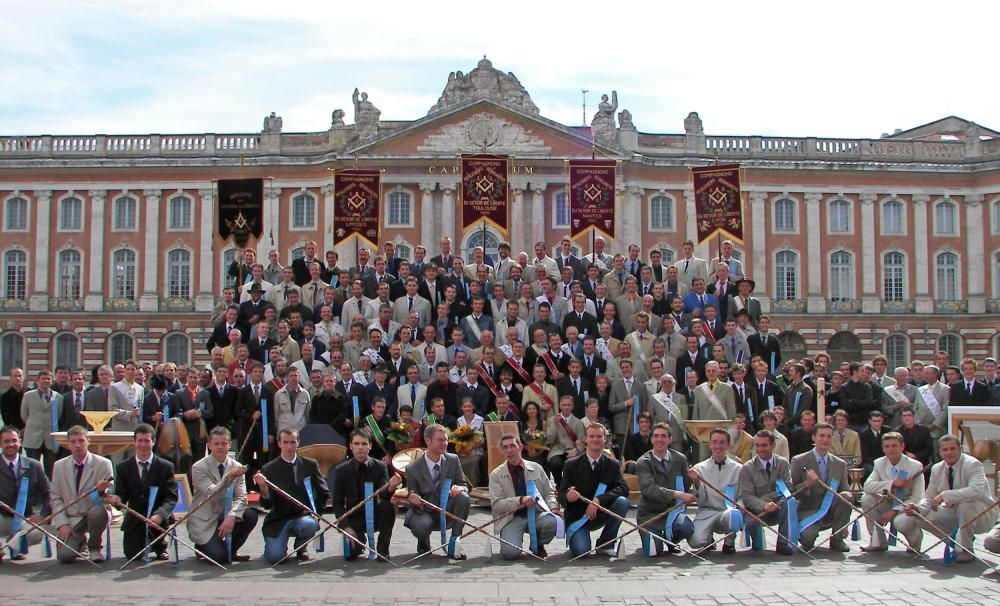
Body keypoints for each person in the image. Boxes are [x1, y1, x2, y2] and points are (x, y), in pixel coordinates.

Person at [905, 434, 999, 563]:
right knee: (921, 517)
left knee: (966, 503)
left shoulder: (973, 464)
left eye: (952, 448)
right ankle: (958, 544)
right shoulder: (937, 468)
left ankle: (965, 550)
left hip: (980, 514)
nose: (949, 452)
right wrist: (918, 508)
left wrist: (944, 495)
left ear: (960, 449)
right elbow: (930, 497)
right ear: (940, 452)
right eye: (945, 449)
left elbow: (976, 491)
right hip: (954, 512)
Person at [253, 428, 330, 564]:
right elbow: (267, 504)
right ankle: (277, 544)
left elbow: (323, 492)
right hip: (278, 519)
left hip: (302, 516)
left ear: (298, 443)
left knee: (310, 525)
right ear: (279, 443)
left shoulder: (310, 464)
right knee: (275, 557)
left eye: (293, 442)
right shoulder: (269, 469)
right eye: (286, 442)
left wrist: (317, 513)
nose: (289, 446)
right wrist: (263, 487)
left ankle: (301, 547)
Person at [107, 424, 178, 560]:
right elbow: (121, 496)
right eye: (140, 441)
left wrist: (160, 515)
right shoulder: (123, 467)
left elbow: (171, 497)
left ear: (154, 441)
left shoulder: (165, 467)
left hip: (157, 518)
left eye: (147, 440)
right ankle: (144, 543)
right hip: (135, 517)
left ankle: (160, 545)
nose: (143, 445)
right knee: (132, 554)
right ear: (134, 443)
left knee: (160, 549)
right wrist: (116, 500)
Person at [187, 427, 257, 564]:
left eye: (224, 443)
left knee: (250, 515)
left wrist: (232, 515)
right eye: (216, 443)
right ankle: (202, 546)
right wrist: (229, 477)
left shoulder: (237, 465)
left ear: (229, 445)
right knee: (220, 558)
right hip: (205, 519)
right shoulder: (198, 467)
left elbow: (241, 497)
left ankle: (231, 549)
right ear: (209, 445)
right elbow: (211, 493)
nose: (220, 447)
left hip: (225, 514)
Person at [559, 423, 630, 557]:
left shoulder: (613, 464)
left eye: (599, 436)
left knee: (622, 502)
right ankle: (578, 539)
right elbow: (561, 495)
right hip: (579, 517)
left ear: (605, 440)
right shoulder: (571, 464)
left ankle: (606, 544)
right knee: (582, 551)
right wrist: (568, 496)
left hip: (601, 512)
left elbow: (623, 488)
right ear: (586, 439)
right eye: (591, 436)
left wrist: (598, 500)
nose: (595, 440)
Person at [331, 429, 402, 561]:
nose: (360, 448)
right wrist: (345, 526)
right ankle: (360, 542)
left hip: (375, 514)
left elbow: (384, 494)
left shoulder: (380, 466)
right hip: (354, 517)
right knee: (350, 555)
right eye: (356, 444)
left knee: (389, 506)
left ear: (370, 446)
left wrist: (391, 486)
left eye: (364, 444)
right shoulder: (341, 471)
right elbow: (338, 503)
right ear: (350, 446)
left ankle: (383, 550)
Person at [402, 423, 470, 559]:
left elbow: (464, 484)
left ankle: (454, 542)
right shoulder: (412, 469)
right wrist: (413, 498)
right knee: (422, 525)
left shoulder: (453, 460)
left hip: (447, 508)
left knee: (463, 497)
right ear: (428, 441)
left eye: (446, 439)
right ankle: (423, 542)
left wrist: (460, 487)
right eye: (440, 440)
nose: (444, 443)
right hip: (424, 511)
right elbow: (412, 493)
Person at [488, 432, 560, 559]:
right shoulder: (496, 475)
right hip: (511, 517)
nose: (509, 450)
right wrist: (520, 500)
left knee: (553, 521)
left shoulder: (536, 468)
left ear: (520, 447)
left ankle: (538, 544)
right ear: (502, 451)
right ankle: (511, 541)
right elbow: (497, 505)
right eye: (505, 447)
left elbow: (549, 492)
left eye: (512, 446)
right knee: (510, 554)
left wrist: (553, 508)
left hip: (537, 513)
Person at [50, 426, 114, 563]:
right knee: (65, 556)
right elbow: (55, 497)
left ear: (88, 441)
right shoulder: (59, 466)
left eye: (81, 440)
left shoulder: (104, 464)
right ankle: (80, 542)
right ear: (68, 444)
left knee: (99, 512)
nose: (77, 445)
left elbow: (110, 495)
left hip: (94, 512)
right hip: (72, 517)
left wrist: (102, 490)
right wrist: (62, 524)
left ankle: (95, 547)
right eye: (73, 442)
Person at [789, 422, 851, 552]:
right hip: (808, 511)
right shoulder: (799, 461)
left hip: (830, 511)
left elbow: (844, 491)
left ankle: (837, 539)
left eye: (829, 436)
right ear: (813, 437)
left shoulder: (840, 464)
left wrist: (845, 522)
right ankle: (808, 533)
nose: (825, 439)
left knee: (847, 496)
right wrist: (807, 484)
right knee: (807, 540)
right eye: (821, 436)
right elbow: (790, 492)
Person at [860, 431, 925, 552]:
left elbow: (918, 496)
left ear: (902, 446)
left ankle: (915, 543)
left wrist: (894, 511)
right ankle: (877, 541)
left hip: (907, 506)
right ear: (883, 449)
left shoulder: (916, 466)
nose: (891, 449)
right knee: (867, 498)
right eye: (887, 446)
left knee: (901, 522)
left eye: (894, 445)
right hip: (888, 502)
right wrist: (893, 484)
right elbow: (868, 486)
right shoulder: (879, 463)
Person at [636, 422, 695, 554]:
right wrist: (678, 494)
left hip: (672, 512)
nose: (659, 440)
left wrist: (694, 481)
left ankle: (671, 540)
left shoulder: (680, 459)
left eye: (663, 436)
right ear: (651, 439)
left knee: (687, 528)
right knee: (653, 553)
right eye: (656, 436)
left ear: (670, 439)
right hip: (650, 515)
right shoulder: (643, 462)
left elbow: (686, 484)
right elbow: (649, 489)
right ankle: (655, 537)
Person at [738, 428, 795, 555]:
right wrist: (763, 505)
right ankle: (756, 542)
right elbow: (747, 496)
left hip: (778, 506)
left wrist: (769, 500)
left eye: (764, 445)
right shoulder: (747, 467)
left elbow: (788, 487)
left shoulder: (783, 463)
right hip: (755, 510)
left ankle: (783, 543)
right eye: (757, 445)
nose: (760, 449)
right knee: (752, 527)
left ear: (773, 445)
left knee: (789, 501)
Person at [0, 426, 51, 561]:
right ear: (0, 443)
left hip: (25, 518)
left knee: (37, 533)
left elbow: (49, 493)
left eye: (14, 440)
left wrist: (43, 515)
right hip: (1, 517)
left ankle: (15, 544)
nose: (11, 444)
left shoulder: (34, 465)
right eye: (6, 441)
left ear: (20, 442)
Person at [688, 429, 743, 552]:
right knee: (695, 542)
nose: (718, 446)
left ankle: (729, 543)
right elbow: (700, 500)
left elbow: (742, 496)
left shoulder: (738, 469)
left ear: (728, 445)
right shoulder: (699, 468)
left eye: (722, 442)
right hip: (707, 511)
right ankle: (708, 539)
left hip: (727, 512)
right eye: (715, 442)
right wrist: (697, 482)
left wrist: (739, 509)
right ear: (710, 445)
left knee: (734, 515)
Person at [20, 369, 65, 477]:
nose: (46, 381)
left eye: (48, 379)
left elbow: (58, 415)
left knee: (51, 469)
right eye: (43, 378)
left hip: (50, 438)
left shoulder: (58, 397)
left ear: (52, 381)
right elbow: (24, 414)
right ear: (38, 380)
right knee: (31, 469)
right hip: (33, 436)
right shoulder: (28, 395)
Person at [546, 395, 585, 487]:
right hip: (557, 450)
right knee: (555, 463)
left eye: (569, 405)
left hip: (572, 450)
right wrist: (555, 425)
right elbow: (549, 440)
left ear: (572, 406)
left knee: (573, 463)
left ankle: (570, 485)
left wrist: (576, 451)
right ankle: (559, 485)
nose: (566, 407)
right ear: (560, 406)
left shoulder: (578, 422)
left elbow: (582, 441)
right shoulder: (552, 420)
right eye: (564, 405)